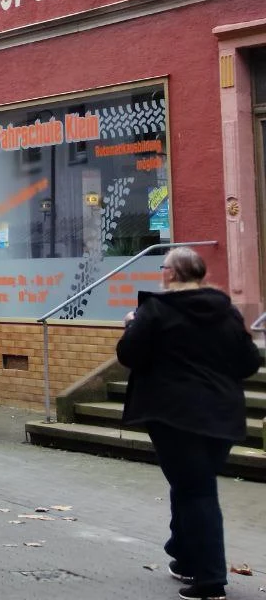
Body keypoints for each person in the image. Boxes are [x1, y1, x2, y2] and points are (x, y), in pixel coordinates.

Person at [116, 246, 261, 600]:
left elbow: (129, 355)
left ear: (170, 274)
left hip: (173, 415)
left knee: (196, 491)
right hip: (221, 413)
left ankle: (210, 580)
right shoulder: (225, 310)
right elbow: (248, 363)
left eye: (163, 267)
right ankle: (182, 555)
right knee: (191, 484)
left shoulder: (156, 310)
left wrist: (131, 327)